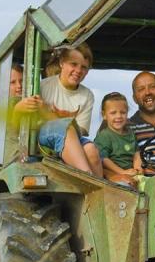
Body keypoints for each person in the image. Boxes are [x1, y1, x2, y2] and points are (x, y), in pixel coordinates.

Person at [13, 43, 102, 176]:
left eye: (84, 67)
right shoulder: (44, 86)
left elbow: (81, 130)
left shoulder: (87, 95)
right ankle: (87, 175)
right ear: (62, 63)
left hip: (73, 138)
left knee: (91, 149)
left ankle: (101, 187)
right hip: (44, 138)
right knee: (67, 127)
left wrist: (47, 113)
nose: (78, 70)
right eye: (73, 64)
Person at [94, 92, 140, 186]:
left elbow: (136, 154)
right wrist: (122, 172)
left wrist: (137, 169)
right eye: (113, 113)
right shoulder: (104, 136)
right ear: (104, 115)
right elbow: (104, 159)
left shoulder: (131, 134)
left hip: (130, 174)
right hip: (112, 175)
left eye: (123, 112)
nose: (118, 116)